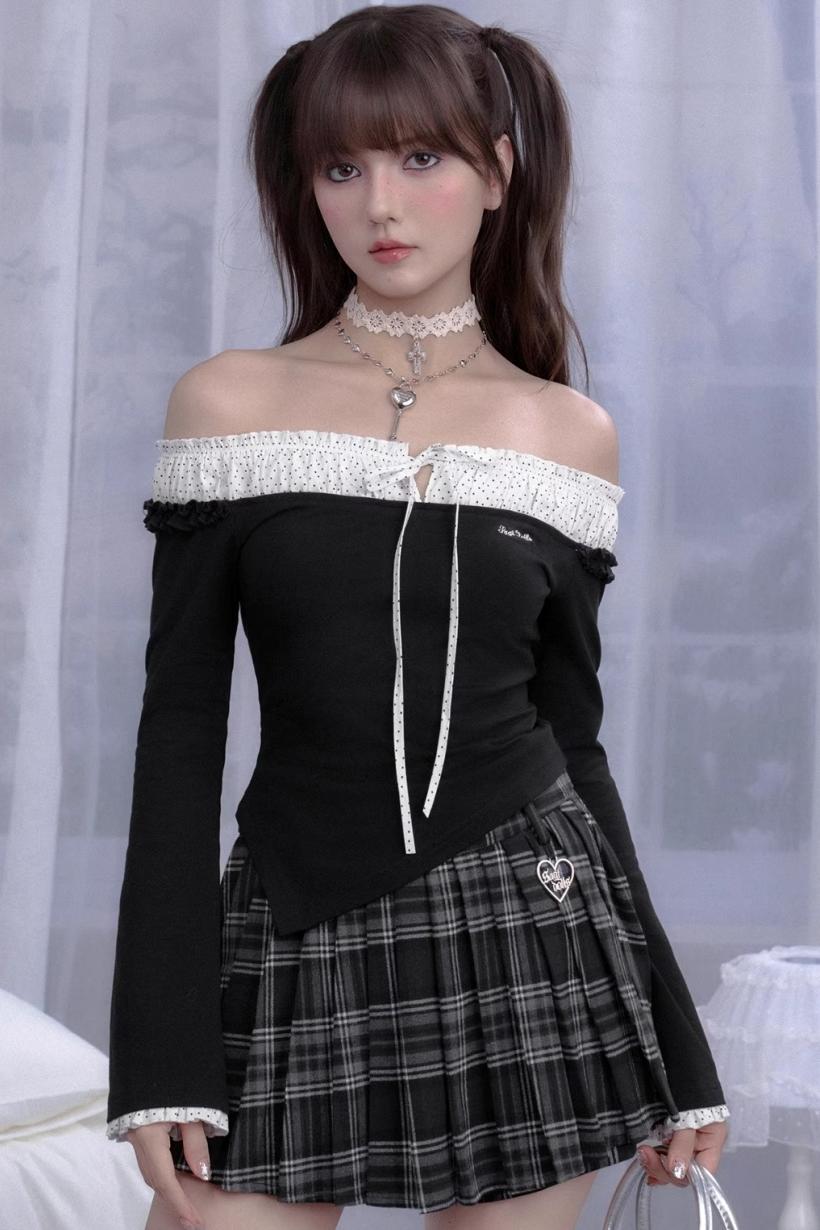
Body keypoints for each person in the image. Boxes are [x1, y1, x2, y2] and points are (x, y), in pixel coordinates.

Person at [105, 6, 730, 1229]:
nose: (379, 204)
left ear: (497, 172)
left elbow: (575, 742)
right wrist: (158, 1055)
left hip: (528, 930)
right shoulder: (229, 402)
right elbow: (177, 734)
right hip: (291, 915)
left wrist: (679, 1046)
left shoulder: (567, 433)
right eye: (341, 167)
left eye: (420, 157)